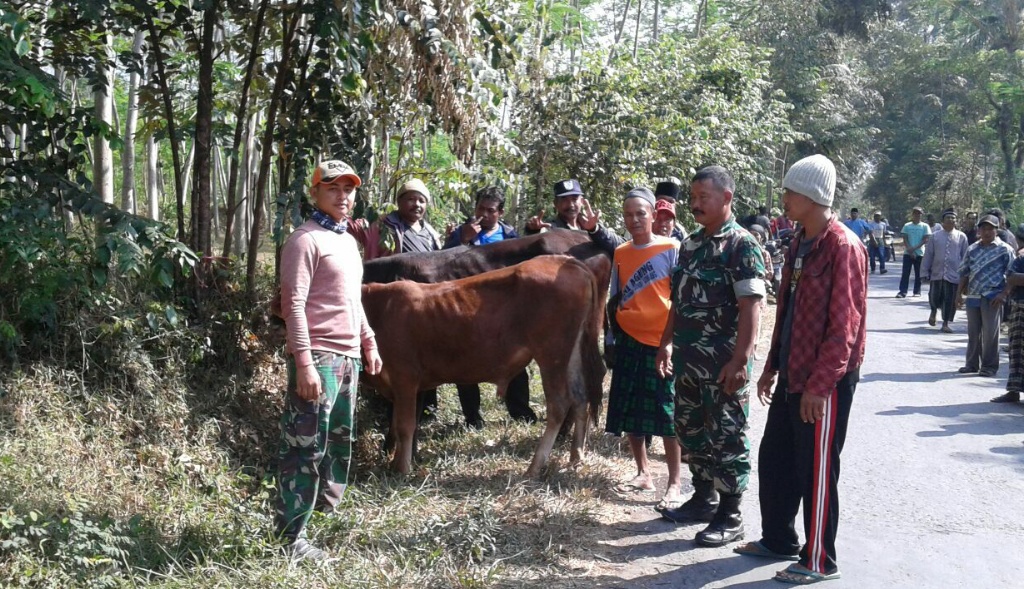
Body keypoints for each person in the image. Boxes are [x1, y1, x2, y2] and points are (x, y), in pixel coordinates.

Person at [737, 154, 867, 585]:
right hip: (792, 371)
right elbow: (788, 311)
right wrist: (771, 366)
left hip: (824, 381)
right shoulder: (798, 242)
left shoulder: (843, 247)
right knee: (776, 459)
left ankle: (820, 560)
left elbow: (844, 326)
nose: (784, 199)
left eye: (790, 192)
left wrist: (820, 386)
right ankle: (778, 539)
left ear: (811, 196)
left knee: (816, 469)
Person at [275, 160, 383, 561]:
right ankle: (291, 537)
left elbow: (352, 301)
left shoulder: (348, 243)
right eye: (332, 188)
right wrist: (304, 362)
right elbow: (293, 305)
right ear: (315, 193)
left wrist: (368, 342)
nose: (342, 196)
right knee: (306, 447)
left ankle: (322, 514)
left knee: (338, 443)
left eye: (348, 189)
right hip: (319, 357)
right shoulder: (304, 240)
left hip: (348, 358)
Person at [654, 165, 766, 548]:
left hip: (723, 366)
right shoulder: (690, 245)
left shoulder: (742, 245)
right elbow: (678, 301)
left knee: (727, 437)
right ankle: (703, 499)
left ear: (727, 198)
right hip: (688, 362)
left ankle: (730, 515)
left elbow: (751, 307)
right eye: (693, 197)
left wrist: (741, 361)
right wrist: (666, 343)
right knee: (691, 431)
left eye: (704, 197)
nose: (695, 204)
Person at [603, 187, 684, 511]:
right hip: (628, 341)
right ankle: (643, 472)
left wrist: (671, 342)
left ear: (653, 215)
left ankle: (675, 482)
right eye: (628, 214)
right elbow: (615, 296)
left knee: (667, 414)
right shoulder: (621, 253)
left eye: (640, 213)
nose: (634, 219)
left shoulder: (671, 248)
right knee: (630, 410)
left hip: (661, 345)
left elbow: (679, 300)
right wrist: (611, 339)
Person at [442, 186, 537, 427]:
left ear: (500, 212)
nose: (484, 214)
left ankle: (521, 413)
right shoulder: (462, 233)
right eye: (480, 209)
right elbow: (442, 264)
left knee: (515, 359)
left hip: (503, 310)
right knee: (465, 362)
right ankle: (472, 418)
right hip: (467, 307)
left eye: (490, 210)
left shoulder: (510, 236)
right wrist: (461, 240)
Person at [350, 179, 443, 418]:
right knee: (393, 355)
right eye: (411, 199)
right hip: (393, 307)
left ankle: (427, 408)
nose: (416, 205)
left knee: (426, 354)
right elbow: (355, 228)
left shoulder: (431, 233)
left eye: (421, 200)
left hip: (425, 306)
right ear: (399, 201)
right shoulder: (382, 226)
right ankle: (385, 407)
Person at [955, 214, 1015, 378]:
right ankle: (972, 364)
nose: (987, 232)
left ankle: (989, 366)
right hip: (973, 295)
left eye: (990, 229)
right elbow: (964, 272)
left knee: (990, 334)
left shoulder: (1005, 249)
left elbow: (1012, 275)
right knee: (973, 332)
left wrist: (1004, 294)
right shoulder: (972, 249)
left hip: (993, 297)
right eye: (983, 229)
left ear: (997, 230)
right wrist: (958, 294)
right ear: (979, 230)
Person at [524, 178, 621, 254]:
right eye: (564, 200)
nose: (571, 205)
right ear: (555, 204)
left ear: (582, 201)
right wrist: (533, 231)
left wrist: (595, 230)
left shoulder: (590, 225)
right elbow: (532, 250)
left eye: (574, 199)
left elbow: (619, 246)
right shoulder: (550, 229)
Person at [922, 208, 968, 333]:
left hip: (954, 274)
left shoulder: (961, 236)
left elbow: (965, 256)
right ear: (942, 221)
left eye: (953, 218)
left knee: (950, 300)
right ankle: (933, 311)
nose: (950, 220)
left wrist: (965, 274)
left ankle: (945, 323)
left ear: (956, 221)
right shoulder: (935, 236)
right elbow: (928, 255)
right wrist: (924, 272)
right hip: (937, 273)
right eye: (948, 217)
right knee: (934, 296)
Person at [896, 207, 931, 298]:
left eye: (919, 213)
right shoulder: (907, 226)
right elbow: (905, 239)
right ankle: (902, 291)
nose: (917, 215)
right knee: (905, 273)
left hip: (920, 253)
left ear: (921, 215)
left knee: (918, 273)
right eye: (915, 213)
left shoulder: (925, 226)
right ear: (913, 214)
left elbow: (925, 239)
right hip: (908, 253)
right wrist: (910, 250)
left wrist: (914, 249)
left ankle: (917, 291)